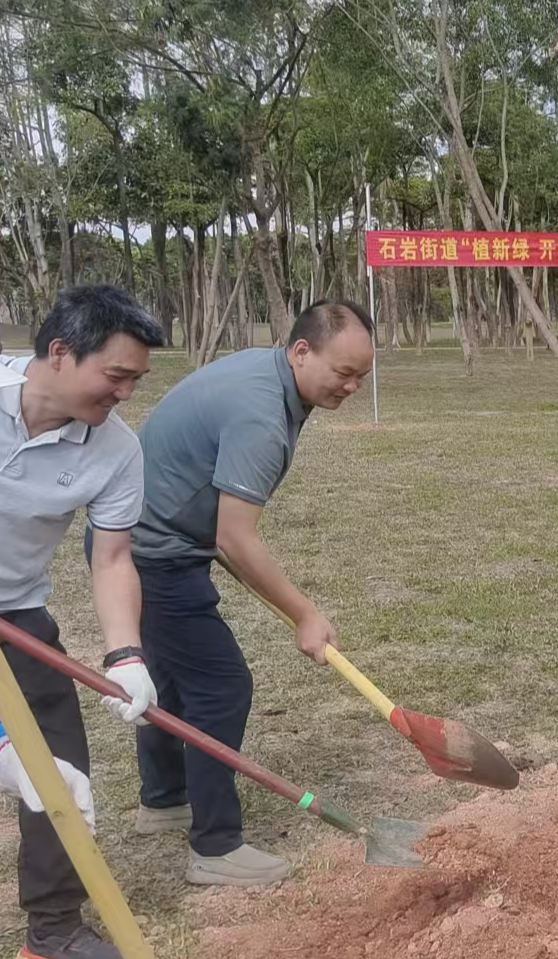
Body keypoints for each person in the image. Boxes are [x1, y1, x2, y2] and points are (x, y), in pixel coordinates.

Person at [126, 301, 376, 886]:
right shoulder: (261, 414)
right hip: (156, 554)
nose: (353, 386)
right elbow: (235, 537)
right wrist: (304, 614)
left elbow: (223, 532)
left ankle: (163, 800)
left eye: (362, 374)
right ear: (301, 351)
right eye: (344, 372)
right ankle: (215, 847)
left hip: (146, 539)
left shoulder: (266, 372)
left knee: (169, 681)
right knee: (220, 685)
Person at [0, 288, 164, 959]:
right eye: (115, 376)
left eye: (135, 380)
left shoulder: (117, 451)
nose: (125, 394)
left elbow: (111, 559)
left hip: (14, 615)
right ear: (58, 351)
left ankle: (53, 931)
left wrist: (126, 652)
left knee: (58, 767)